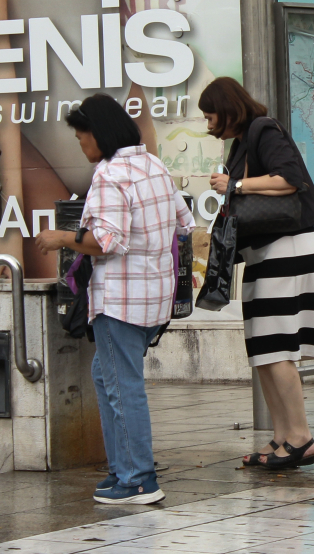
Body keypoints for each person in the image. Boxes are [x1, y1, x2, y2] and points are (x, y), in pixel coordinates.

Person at [35, 94, 195, 505]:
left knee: (122, 385)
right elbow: (184, 221)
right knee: (107, 377)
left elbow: (107, 240)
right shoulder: (153, 165)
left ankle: (138, 478)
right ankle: (123, 468)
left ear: (98, 134)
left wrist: (60, 238)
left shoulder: (111, 174)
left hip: (121, 298)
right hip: (153, 297)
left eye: (81, 136)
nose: (80, 145)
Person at [199, 77, 314, 470]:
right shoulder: (242, 142)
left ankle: (301, 437)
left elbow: (290, 179)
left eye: (210, 116)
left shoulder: (262, 129)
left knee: (276, 348)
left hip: (286, 245)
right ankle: (282, 435)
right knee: (263, 349)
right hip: (266, 250)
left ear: (227, 108)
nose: (208, 124)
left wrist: (234, 183)